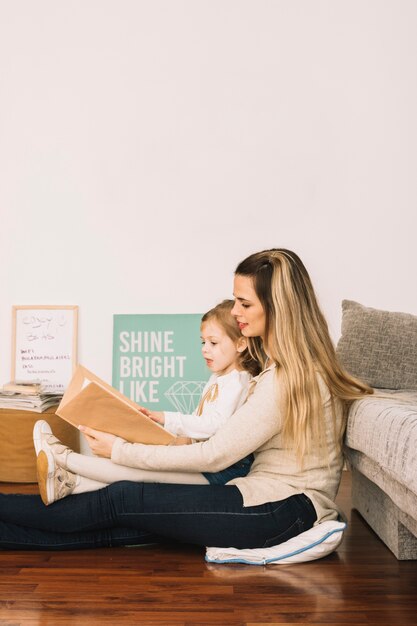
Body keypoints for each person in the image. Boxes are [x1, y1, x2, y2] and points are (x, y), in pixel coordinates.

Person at [0, 248, 373, 551]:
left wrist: (120, 450)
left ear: (276, 307)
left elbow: (215, 455)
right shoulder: (290, 369)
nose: (235, 313)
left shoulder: (288, 379)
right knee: (123, 527)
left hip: (280, 510)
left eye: (244, 304)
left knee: (122, 500)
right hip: (275, 503)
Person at [34, 299, 260, 505]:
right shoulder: (219, 378)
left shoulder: (238, 382)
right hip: (205, 459)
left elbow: (216, 425)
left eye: (213, 342)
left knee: (141, 471)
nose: (204, 349)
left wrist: (167, 418)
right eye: (203, 342)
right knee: (139, 467)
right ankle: (70, 482)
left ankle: (63, 457)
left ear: (240, 345)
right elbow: (202, 424)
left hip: (222, 472)